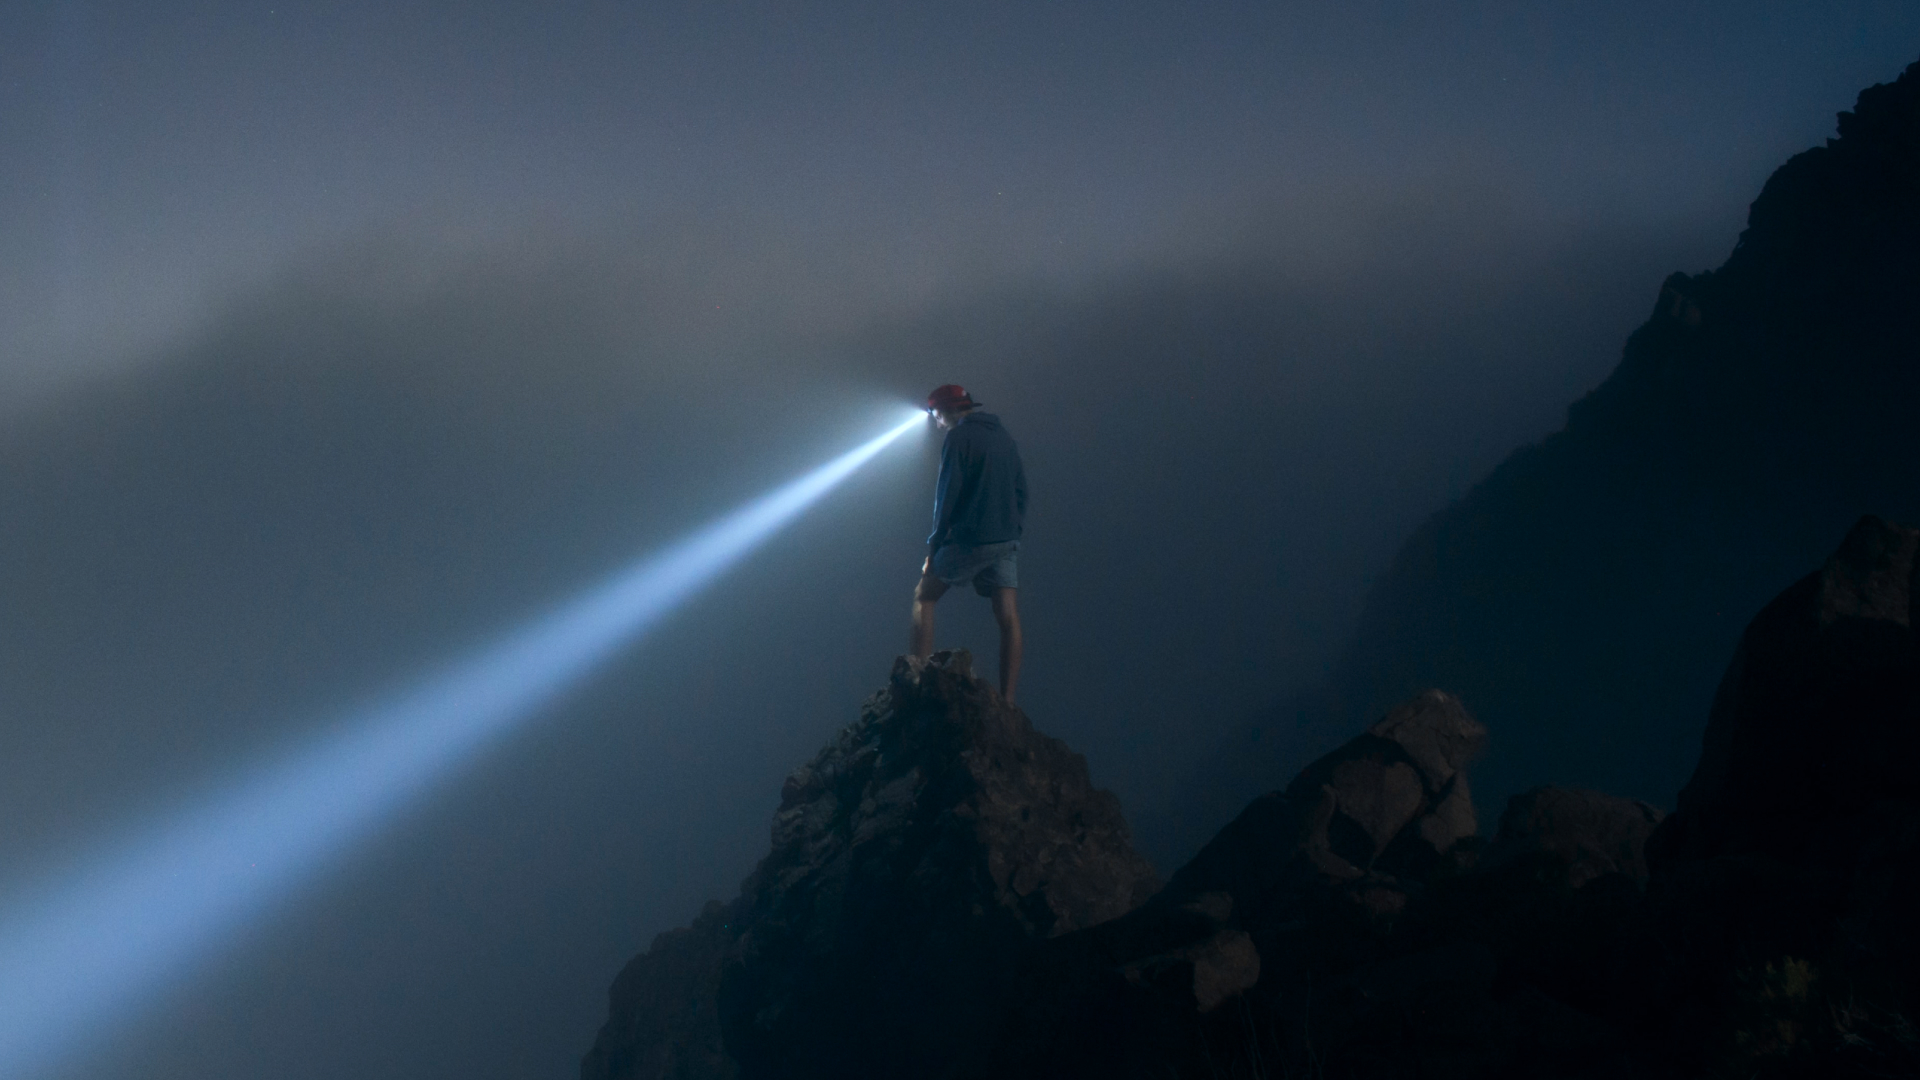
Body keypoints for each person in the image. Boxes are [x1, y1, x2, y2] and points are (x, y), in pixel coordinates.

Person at [912, 384, 1028, 703]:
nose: (935, 423)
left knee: (924, 596)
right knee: (1007, 616)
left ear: (947, 411)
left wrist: (934, 549)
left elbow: (946, 497)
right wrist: (1012, 529)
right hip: (1006, 538)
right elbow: (1022, 490)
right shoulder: (1003, 436)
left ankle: (916, 678)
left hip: (973, 538)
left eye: (935, 415)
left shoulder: (958, 438)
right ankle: (1008, 701)